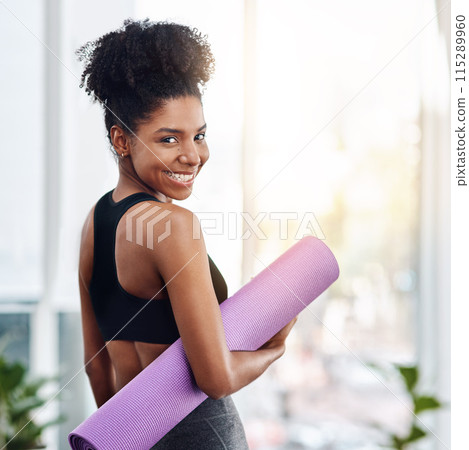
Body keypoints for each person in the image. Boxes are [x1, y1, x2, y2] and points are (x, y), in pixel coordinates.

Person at [76, 18, 297, 449]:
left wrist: (123, 438)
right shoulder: (174, 227)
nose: (192, 155)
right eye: (168, 139)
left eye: (199, 135)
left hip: (129, 436)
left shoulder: (95, 222)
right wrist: (274, 348)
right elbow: (217, 379)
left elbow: (96, 365)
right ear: (121, 140)